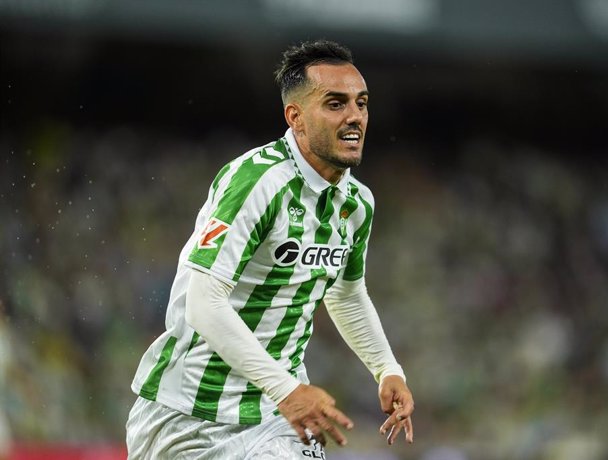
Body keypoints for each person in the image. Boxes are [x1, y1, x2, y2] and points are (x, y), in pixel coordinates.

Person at [126, 39, 414, 459]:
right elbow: (204, 304)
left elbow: (346, 294)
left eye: (361, 103)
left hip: (276, 418)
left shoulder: (357, 203)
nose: (354, 116)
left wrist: (387, 368)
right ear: (295, 117)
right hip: (190, 413)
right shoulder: (258, 182)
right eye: (335, 104)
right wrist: (288, 390)